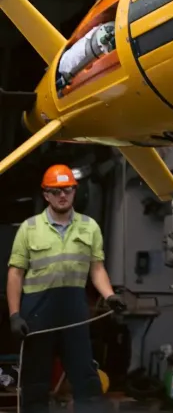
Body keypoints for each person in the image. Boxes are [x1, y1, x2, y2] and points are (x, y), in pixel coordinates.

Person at [6, 164, 125, 413]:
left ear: (75, 191)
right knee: (35, 380)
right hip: (37, 313)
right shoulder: (29, 228)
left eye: (67, 190)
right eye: (56, 191)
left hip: (74, 312)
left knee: (85, 377)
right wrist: (14, 315)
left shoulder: (89, 227)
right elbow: (15, 273)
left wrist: (110, 296)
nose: (62, 195)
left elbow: (97, 269)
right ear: (46, 195)